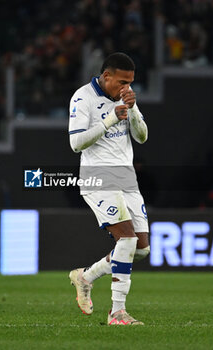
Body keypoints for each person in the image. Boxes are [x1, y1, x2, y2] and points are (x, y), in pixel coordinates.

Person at [68, 52, 150, 326]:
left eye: (130, 82)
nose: (126, 87)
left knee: (141, 249)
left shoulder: (125, 99)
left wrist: (134, 109)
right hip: (98, 176)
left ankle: (86, 276)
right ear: (106, 76)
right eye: (122, 82)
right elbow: (76, 143)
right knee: (126, 241)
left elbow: (142, 137)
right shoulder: (83, 98)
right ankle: (117, 312)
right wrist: (109, 120)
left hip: (126, 178)